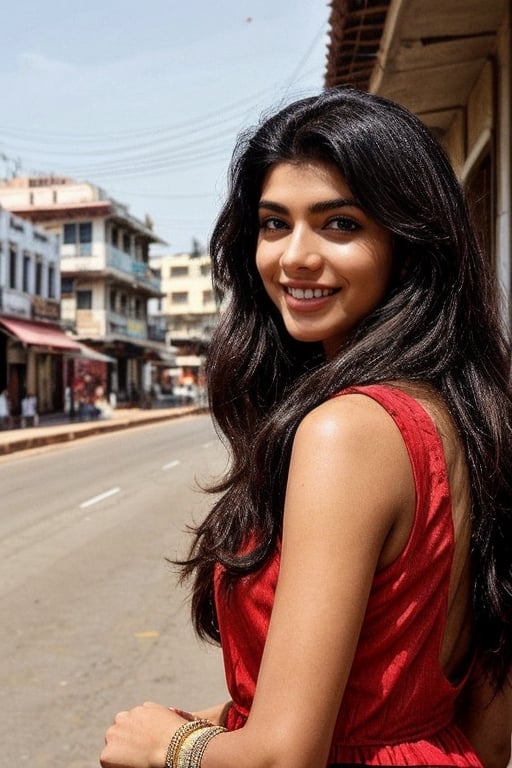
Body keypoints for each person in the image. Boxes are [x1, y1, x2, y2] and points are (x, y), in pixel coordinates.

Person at [100, 88, 512, 768]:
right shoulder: (466, 413)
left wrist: (167, 746)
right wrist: (217, 721)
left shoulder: (347, 432)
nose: (294, 257)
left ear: (407, 245)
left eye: (339, 225)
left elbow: (283, 758)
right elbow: (489, 736)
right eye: (272, 224)